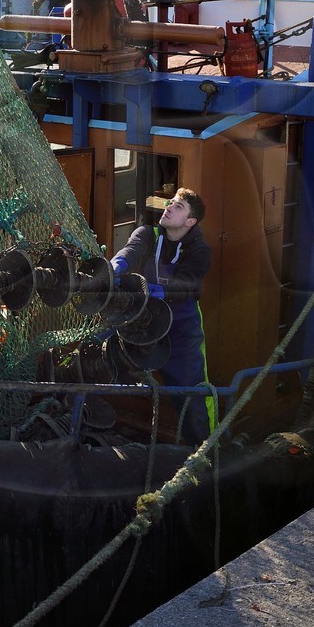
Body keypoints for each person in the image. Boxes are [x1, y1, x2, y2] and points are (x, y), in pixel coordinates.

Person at [111, 188, 213, 443]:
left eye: (179, 207)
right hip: (142, 325)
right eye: (171, 203)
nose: (169, 208)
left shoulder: (199, 250)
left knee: (192, 398)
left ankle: (204, 452)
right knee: (102, 357)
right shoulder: (147, 234)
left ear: (190, 222)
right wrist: (115, 266)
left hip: (181, 333)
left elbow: (187, 285)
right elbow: (130, 251)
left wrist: (157, 291)